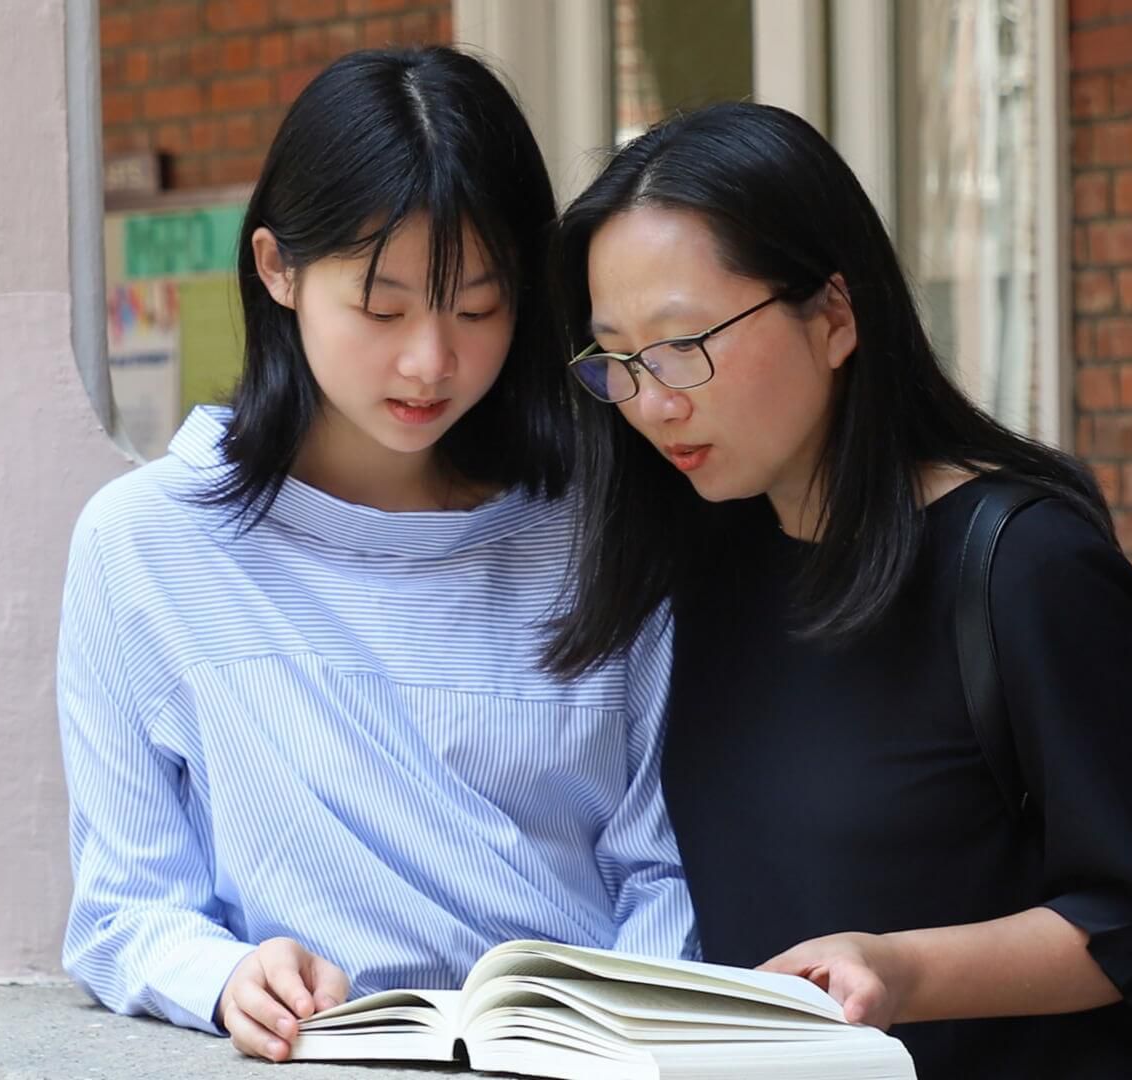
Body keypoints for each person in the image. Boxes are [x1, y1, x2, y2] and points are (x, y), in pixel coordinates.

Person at [545, 101, 1132, 1078]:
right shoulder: (693, 569)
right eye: (617, 360)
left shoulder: (1024, 569)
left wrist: (903, 971)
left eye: (684, 344)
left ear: (834, 315)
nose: (654, 402)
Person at [56, 47, 692, 1063]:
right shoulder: (144, 546)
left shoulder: (601, 527)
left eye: (478, 308)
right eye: (382, 307)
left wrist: (625, 1038)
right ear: (278, 269)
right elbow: (124, 910)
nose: (430, 361)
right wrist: (225, 977)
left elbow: (663, 871)